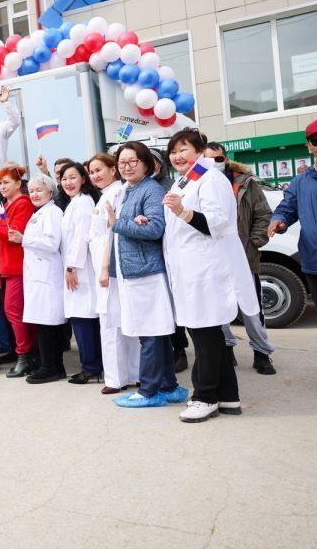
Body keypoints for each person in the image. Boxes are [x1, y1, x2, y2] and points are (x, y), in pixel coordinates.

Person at [163, 128, 257, 422]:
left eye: (184, 149)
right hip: (190, 269)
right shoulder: (187, 179)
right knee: (208, 333)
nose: (177, 156)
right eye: (173, 151)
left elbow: (216, 221)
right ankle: (228, 395)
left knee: (205, 335)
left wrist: (183, 212)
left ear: (200, 151)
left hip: (206, 269)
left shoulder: (211, 178)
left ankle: (205, 396)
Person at [106, 142, 187, 409]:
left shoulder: (150, 189)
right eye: (122, 162)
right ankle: (168, 386)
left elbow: (155, 229)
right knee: (156, 332)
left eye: (133, 161)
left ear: (146, 164)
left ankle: (148, 391)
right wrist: (129, 223)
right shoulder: (129, 190)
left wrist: (119, 223)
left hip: (146, 273)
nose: (127, 167)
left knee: (150, 334)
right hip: (135, 271)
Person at [204, 142, 277, 374]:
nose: (213, 163)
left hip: (244, 256)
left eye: (218, 159)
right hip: (214, 259)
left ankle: (261, 353)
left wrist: (253, 243)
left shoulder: (246, 182)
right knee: (220, 309)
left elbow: (263, 214)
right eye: (207, 159)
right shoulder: (198, 182)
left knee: (252, 309)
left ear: (226, 159)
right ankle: (227, 351)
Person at [270, 118, 317, 390]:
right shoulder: (300, 181)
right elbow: (287, 208)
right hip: (315, 264)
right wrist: (279, 221)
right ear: (309, 146)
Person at [86, 153, 139, 394]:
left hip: (109, 266)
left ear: (112, 170)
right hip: (105, 264)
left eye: (99, 170)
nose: (95, 175)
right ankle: (130, 374)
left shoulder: (116, 193)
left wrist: (105, 268)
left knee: (112, 322)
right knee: (118, 321)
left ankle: (117, 378)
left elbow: (111, 233)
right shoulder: (107, 194)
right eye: (91, 172)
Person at [9, 173, 66, 384]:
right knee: (43, 324)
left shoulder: (52, 212)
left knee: (47, 325)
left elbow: (51, 243)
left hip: (47, 276)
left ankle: (50, 367)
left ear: (50, 192)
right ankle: (52, 366)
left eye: (39, 190)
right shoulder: (40, 213)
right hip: (37, 275)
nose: (34, 194)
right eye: (31, 191)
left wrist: (24, 239)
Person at [0, 166, 36, 377]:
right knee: (15, 312)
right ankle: (27, 354)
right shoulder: (6, 204)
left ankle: (24, 355)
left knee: (13, 311)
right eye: (0, 183)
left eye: (6, 182)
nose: (2, 187)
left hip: (17, 266)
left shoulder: (23, 203)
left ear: (18, 184)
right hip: (7, 266)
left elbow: (14, 234)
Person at [59, 162, 103, 384]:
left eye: (72, 177)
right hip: (77, 267)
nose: (68, 182)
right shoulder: (74, 202)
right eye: (64, 179)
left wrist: (71, 267)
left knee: (83, 318)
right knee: (83, 318)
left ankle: (91, 367)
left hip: (80, 269)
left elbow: (80, 237)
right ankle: (92, 366)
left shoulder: (84, 202)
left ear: (83, 179)